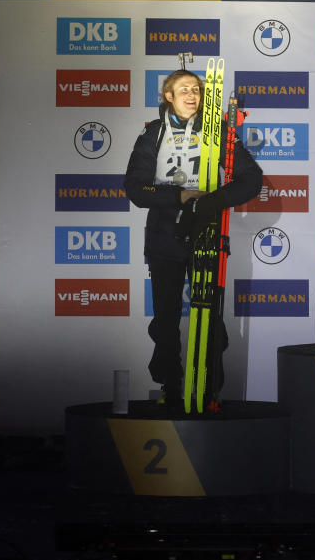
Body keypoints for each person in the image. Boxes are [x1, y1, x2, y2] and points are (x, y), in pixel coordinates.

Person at [124, 68, 262, 402]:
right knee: (166, 319)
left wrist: (214, 200)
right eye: (183, 89)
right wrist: (178, 196)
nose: (192, 95)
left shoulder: (219, 131)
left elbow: (251, 179)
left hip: (207, 233)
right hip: (165, 235)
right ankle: (170, 385)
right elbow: (135, 188)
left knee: (210, 316)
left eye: (197, 90)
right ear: (168, 96)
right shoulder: (153, 133)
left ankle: (209, 384)